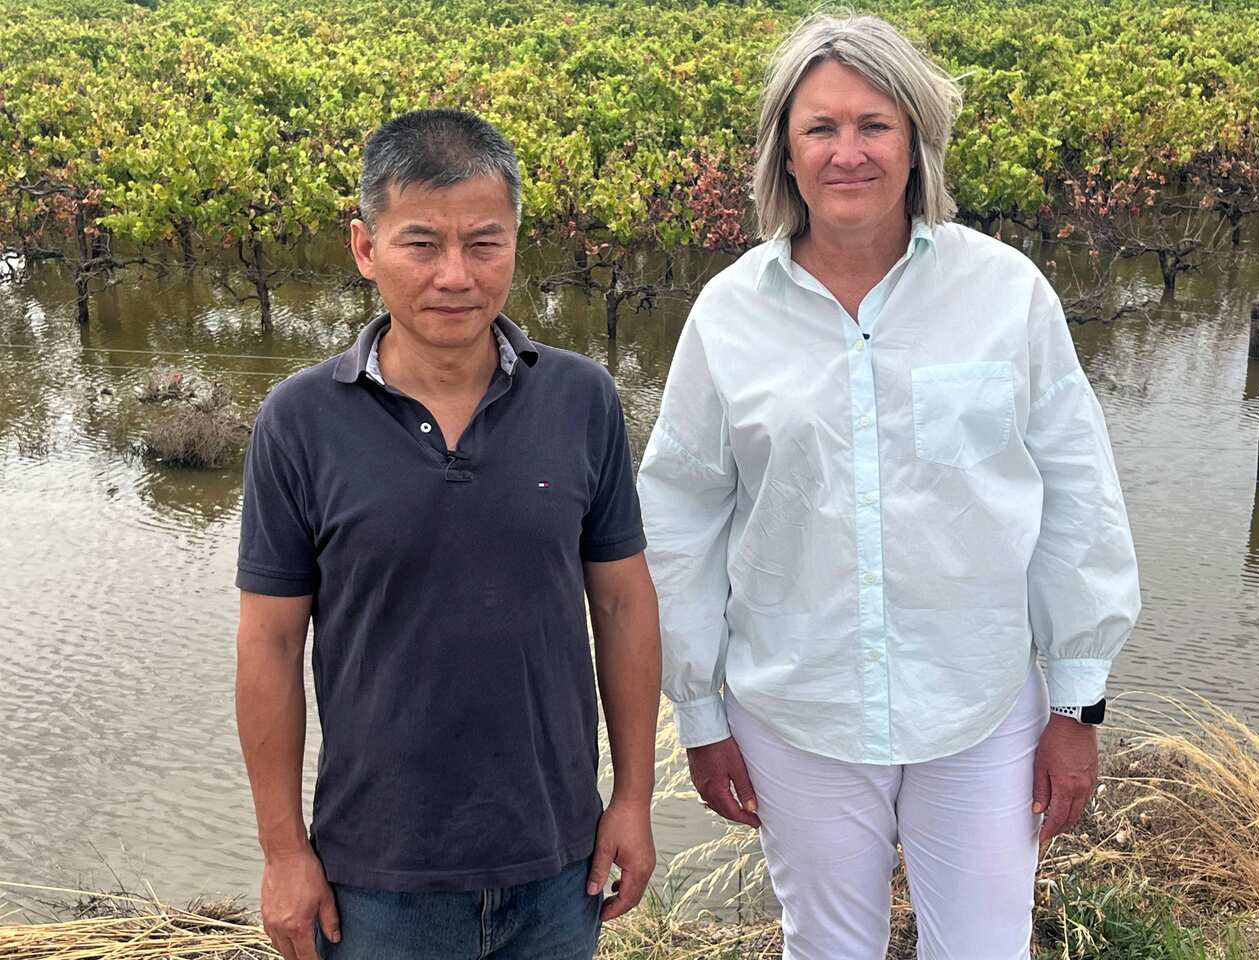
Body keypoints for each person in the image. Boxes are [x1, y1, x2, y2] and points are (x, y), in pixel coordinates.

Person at [637, 14, 1140, 960]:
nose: (848, 152)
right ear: (784, 154)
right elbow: (680, 517)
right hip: (797, 711)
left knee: (988, 948)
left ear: (916, 143)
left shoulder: (1007, 293)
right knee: (825, 948)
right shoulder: (728, 315)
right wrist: (699, 712)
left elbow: (1077, 492)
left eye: (874, 125)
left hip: (980, 704)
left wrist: (1077, 705)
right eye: (820, 129)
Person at [234, 108, 660, 960]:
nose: (455, 275)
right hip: (376, 877)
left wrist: (634, 801)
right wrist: (284, 852)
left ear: (516, 243)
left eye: (485, 243)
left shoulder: (581, 399)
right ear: (365, 248)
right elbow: (270, 645)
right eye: (421, 244)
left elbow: (621, 606)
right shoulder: (299, 421)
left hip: (556, 861)